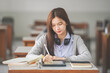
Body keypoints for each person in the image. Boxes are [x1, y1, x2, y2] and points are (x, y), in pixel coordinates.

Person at [26, 7, 92, 63]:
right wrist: (42, 58)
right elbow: (29, 56)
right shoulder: (44, 38)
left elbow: (88, 57)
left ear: (66, 22)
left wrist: (64, 59)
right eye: (53, 25)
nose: (57, 28)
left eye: (60, 24)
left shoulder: (76, 39)